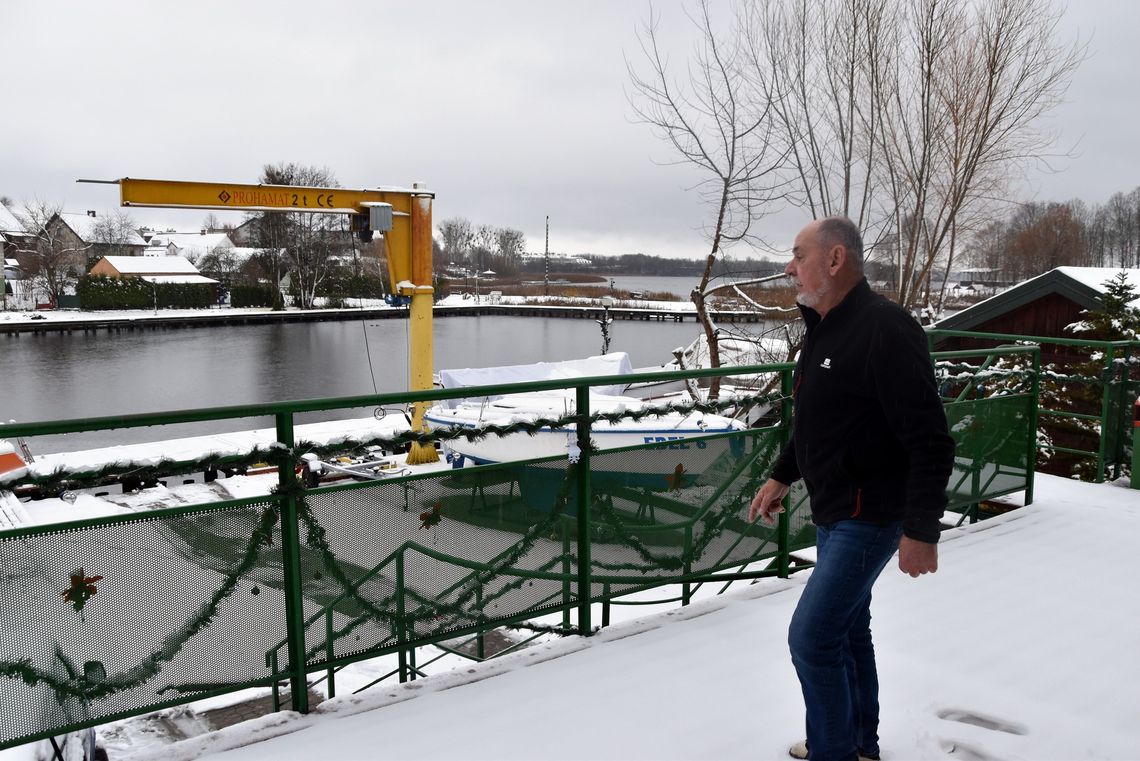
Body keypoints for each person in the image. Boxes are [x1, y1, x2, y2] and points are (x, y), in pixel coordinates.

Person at [749, 216, 955, 761]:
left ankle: (833, 751)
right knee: (847, 632)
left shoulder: (886, 328)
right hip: (834, 508)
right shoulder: (824, 326)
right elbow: (818, 420)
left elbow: (932, 440)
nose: (790, 268)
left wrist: (921, 530)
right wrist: (782, 473)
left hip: (871, 515)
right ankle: (859, 744)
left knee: (812, 638)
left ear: (835, 259)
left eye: (799, 256)